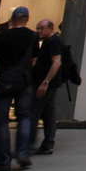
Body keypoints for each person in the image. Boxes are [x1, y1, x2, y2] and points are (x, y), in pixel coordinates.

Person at [0, 6, 38, 171]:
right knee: (24, 117)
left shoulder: (2, 36)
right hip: (24, 81)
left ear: (12, 19)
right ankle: (22, 153)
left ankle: (3, 160)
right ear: (27, 19)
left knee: (1, 121)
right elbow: (34, 61)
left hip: (4, 80)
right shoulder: (32, 36)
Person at [29, 19, 64, 156]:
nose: (39, 31)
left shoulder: (53, 42)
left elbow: (56, 63)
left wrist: (45, 82)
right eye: (37, 28)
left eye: (42, 28)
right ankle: (47, 144)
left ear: (50, 28)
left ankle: (28, 144)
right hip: (49, 82)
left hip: (46, 83)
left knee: (35, 111)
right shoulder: (49, 42)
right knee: (48, 112)